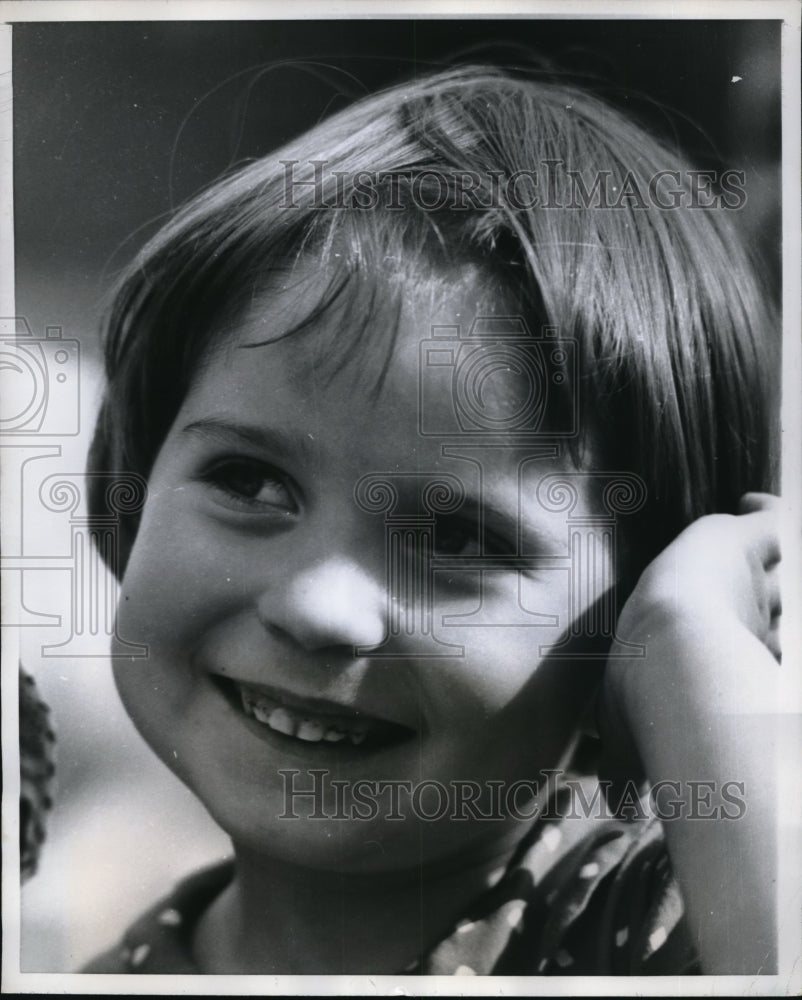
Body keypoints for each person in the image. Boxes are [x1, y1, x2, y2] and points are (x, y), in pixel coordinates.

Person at [80, 65, 780, 976]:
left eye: (454, 539)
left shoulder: (671, 930)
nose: (317, 606)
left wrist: (694, 650)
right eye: (251, 481)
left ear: (623, 640)